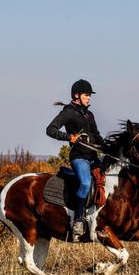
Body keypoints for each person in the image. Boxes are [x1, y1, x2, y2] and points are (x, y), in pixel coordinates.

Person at [46, 79, 105, 240]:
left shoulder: (89, 114)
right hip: (79, 158)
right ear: (77, 95)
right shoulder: (68, 112)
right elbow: (50, 130)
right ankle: (78, 220)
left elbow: (97, 136)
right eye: (87, 95)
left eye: (89, 95)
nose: (89, 98)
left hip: (93, 157)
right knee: (85, 183)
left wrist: (108, 147)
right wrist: (68, 137)